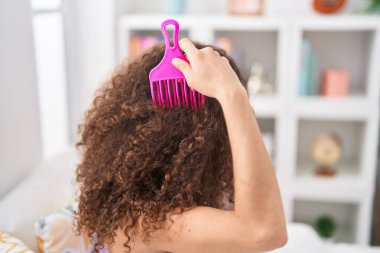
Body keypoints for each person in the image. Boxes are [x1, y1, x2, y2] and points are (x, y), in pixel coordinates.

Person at [75, 38, 287, 253]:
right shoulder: (153, 223)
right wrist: (233, 96)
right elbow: (264, 231)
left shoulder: (129, 203)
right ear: (214, 137)